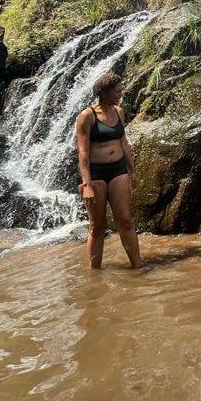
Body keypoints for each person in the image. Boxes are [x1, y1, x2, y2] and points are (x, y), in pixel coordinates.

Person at [76, 72, 142, 269]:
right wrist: (86, 184)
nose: (120, 93)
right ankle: (94, 274)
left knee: (126, 220)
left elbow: (124, 143)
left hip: (118, 170)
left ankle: (138, 267)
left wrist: (133, 171)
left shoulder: (119, 112)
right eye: (117, 91)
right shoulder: (87, 116)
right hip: (96, 174)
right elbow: (83, 153)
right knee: (97, 227)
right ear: (104, 92)